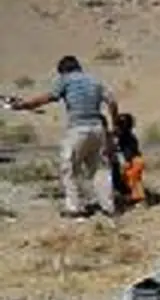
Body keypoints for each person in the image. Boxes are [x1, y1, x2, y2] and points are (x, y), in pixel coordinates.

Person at [10, 55, 121, 218]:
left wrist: (24, 105)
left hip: (78, 129)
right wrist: (115, 125)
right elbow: (112, 101)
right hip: (98, 128)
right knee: (100, 169)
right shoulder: (94, 80)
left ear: (63, 71)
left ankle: (74, 208)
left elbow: (48, 97)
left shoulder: (66, 80)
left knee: (69, 168)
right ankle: (108, 207)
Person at [110, 112, 146, 204]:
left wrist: (126, 162)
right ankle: (136, 198)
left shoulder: (125, 138)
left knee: (129, 181)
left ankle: (134, 199)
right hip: (135, 161)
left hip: (131, 162)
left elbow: (127, 154)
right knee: (135, 182)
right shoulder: (129, 137)